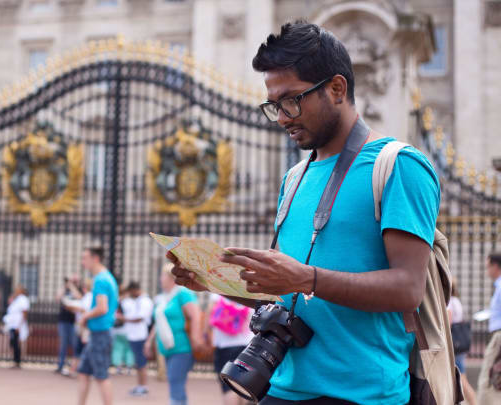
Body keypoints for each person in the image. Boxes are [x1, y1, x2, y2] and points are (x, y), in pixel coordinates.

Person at [168, 21, 441, 404]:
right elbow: (285, 295)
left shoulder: (399, 166)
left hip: (363, 396)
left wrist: (308, 278)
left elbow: (407, 289)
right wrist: (212, 279)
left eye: (292, 100)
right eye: (273, 105)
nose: (281, 117)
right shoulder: (294, 177)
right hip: (279, 389)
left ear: (336, 88)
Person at [144, 264, 204, 405]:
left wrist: (195, 338)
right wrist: (149, 341)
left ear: (170, 277)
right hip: (168, 347)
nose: (160, 279)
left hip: (182, 347)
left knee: (175, 380)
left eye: (162, 276)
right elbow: (159, 322)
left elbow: (195, 315)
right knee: (174, 381)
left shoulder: (182, 293)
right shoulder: (164, 297)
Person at [76, 247, 119, 405]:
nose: (82, 262)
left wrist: (84, 316)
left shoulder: (100, 280)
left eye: (84, 258)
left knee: (101, 376)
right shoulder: (107, 277)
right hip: (98, 333)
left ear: (95, 259)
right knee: (83, 372)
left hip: (101, 333)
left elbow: (102, 307)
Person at [207, 294, 254, 405]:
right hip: (247, 345)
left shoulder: (218, 290)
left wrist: (206, 334)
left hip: (224, 346)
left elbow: (210, 313)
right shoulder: (250, 289)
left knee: (228, 386)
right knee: (243, 385)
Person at [119, 280, 153, 396]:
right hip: (133, 335)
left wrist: (124, 319)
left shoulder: (145, 301)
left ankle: (143, 386)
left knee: (141, 362)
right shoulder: (135, 300)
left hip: (140, 335)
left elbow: (140, 318)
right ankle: (140, 385)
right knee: (138, 363)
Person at [447, 280, 476, 405]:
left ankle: (473, 402)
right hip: (460, 344)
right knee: (459, 376)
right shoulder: (457, 301)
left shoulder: (449, 303)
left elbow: (448, 323)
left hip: (454, 344)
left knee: (461, 378)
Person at [478, 252, 501, 404]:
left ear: (495, 266)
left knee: (487, 382)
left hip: (499, 336)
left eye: (488, 267)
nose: (487, 272)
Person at [56, 275, 79, 376]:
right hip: (63, 321)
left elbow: (79, 297)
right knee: (63, 344)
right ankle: (60, 366)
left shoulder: (77, 290)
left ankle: (75, 366)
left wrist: (72, 286)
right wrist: (65, 286)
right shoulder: (64, 290)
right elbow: (57, 298)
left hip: (73, 321)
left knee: (75, 345)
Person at [4, 285, 30, 368]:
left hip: (17, 325)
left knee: (15, 343)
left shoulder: (23, 299)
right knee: (13, 342)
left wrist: (19, 326)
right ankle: (16, 360)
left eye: (17, 289)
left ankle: (17, 361)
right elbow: (9, 302)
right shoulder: (17, 299)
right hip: (13, 324)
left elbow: (24, 313)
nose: (15, 291)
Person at [111, 286, 134, 375]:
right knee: (129, 349)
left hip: (117, 329)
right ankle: (129, 367)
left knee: (118, 348)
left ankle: (118, 367)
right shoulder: (130, 302)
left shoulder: (116, 302)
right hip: (129, 329)